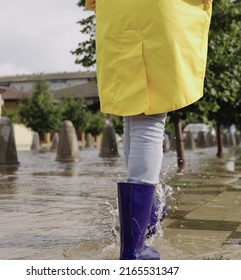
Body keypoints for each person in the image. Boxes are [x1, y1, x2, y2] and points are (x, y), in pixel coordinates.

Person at [86, 0, 213, 260]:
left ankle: (147, 212)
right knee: (150, 118)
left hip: (117, 13)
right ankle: (134, 247)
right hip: (159, 12)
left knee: (132, 109)